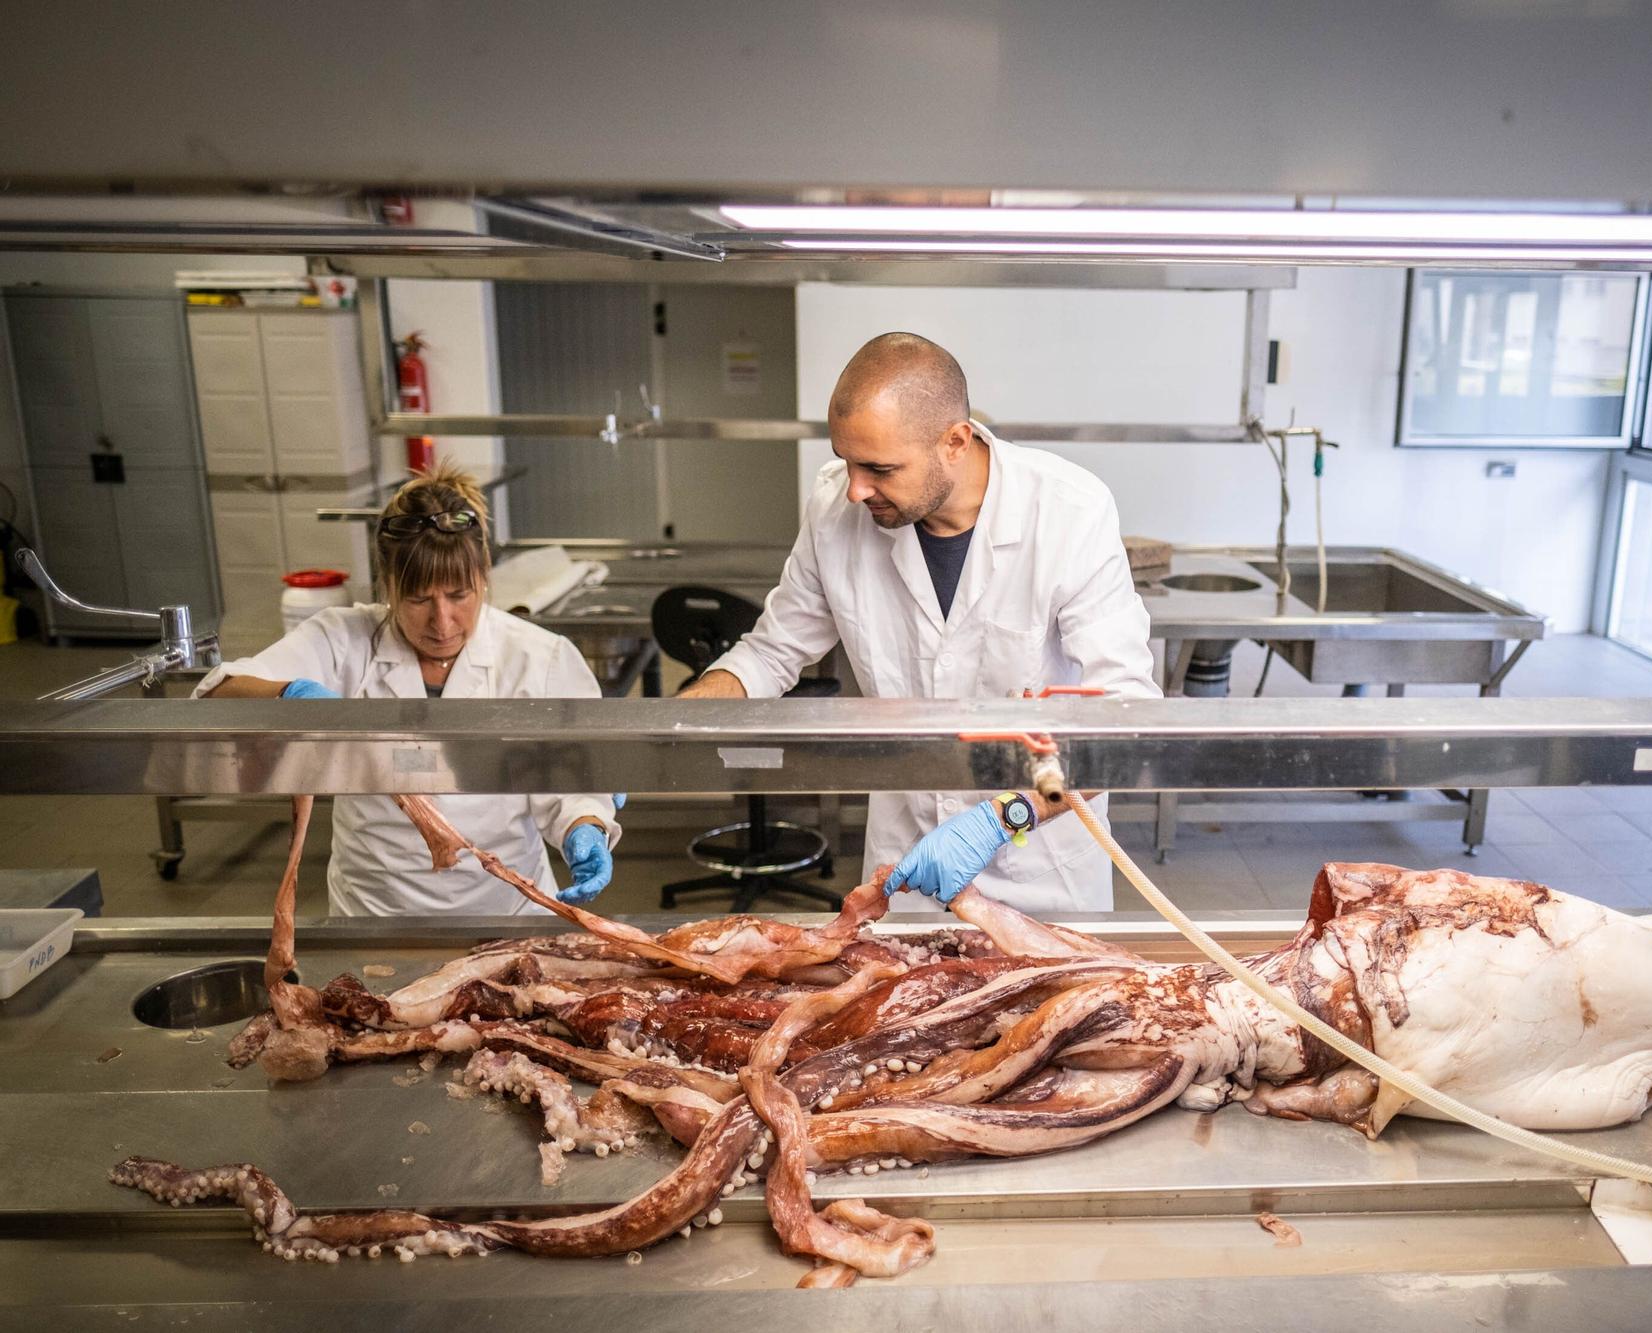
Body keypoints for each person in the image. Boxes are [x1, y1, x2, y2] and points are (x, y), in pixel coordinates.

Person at [680, 332, 1160, 913]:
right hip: (907, 863)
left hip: (1041, 867)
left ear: (954, 442)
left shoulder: (1069, 513)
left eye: (879, 468)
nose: (856, 489)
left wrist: (1002, 816)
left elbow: (1125, 717)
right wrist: (667, 726)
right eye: (847, 462)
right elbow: (771, 652)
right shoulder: (837, 511)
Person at [196, 464, 622, 917]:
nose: (442, 622)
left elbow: (574, 775)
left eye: (459, 595)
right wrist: (287, 695)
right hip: (375, 913)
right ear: (388, 586)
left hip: (507, 909)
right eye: (418, 599)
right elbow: (213, 694)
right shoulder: (343, 640)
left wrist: (585, 823)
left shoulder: (540, 657)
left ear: (484, 577)